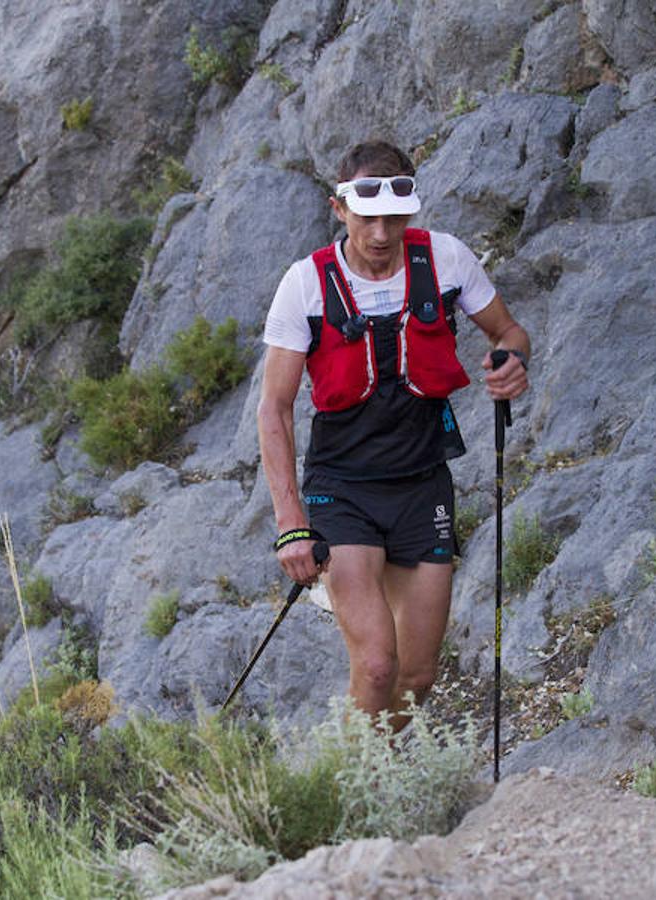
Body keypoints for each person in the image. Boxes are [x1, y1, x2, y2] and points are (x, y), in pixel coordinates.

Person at [258, 139, 530, 727]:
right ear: (339, 209)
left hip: (422, 486)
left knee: (417, 674)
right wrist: (290, 524)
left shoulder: (448, 261)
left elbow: (508, 332)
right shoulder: (305, 284)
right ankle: (355, 802)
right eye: (367, 218)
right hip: (343, 491)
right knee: (378, 664)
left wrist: (512, 364)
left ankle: (378, 774)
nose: (381, 233)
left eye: (395, 218)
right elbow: (274, 410)